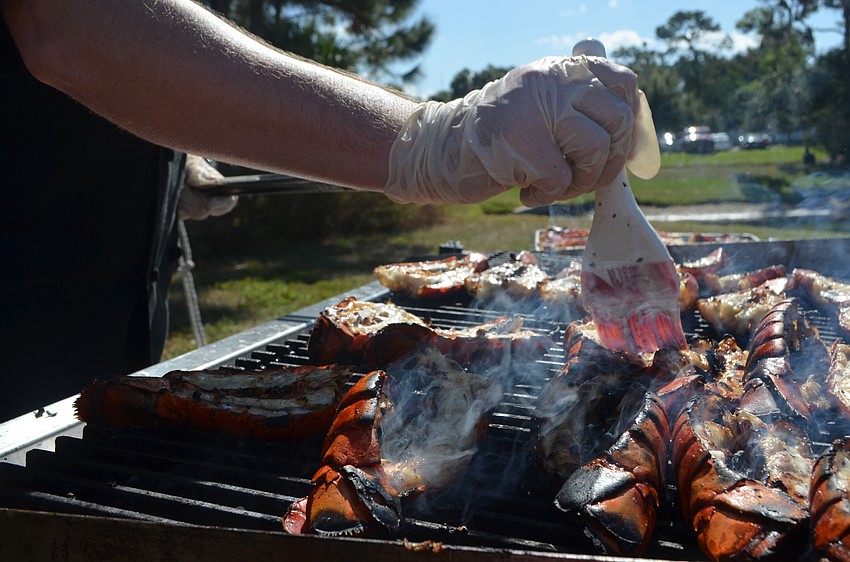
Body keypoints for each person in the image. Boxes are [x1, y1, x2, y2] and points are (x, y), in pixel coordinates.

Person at [1, 0, 644, 420]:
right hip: (17, 308)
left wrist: (164, 166)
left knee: (112, 424)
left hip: (105, 313)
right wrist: (427, 141)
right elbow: (69, 25)